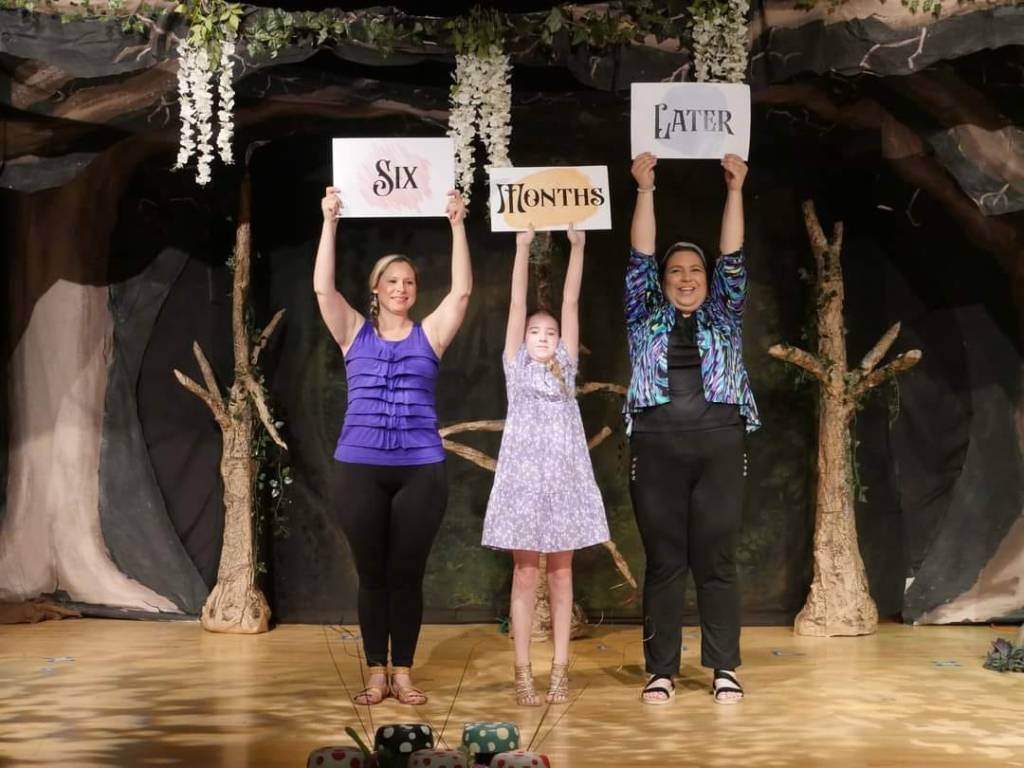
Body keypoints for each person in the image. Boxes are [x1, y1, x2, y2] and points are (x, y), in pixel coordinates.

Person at [314, 185, 471, 705]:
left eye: (409, 282)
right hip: (359, 468)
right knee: (372, 575)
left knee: (406, 575)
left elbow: (462, 293)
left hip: (420, 470)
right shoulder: (353, 332)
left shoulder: (431, 336)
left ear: (415, 291)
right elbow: (322, 289)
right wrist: (330, 222)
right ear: (376, 290)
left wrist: (457, 224)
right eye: (392, 281)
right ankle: (375, 673)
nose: (401, 288)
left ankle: (402, 671)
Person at [624, 152, 760, 705]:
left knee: (716, 561)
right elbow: (640, 254)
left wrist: (735, 190)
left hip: (719, 446)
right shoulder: (644, 314)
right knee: (665, 563)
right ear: (662, 282)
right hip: (656, 448)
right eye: (676, 271)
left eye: (695, 270)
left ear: (708, 280)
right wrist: (644, 189)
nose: (686, 278)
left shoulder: (724, 313)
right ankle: (661, 671)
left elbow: (733, 256)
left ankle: (724, 668)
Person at [482, 225, 610, 706]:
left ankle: (559, 672)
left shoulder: (566, 368)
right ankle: (522, 672)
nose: (542, 336)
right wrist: (521, 247)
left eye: (550, 332)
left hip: (564, 483)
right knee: (524, 573)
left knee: (561, 575)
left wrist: (578, 248)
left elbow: (570, 303)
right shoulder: (516, 367)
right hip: (523, 484)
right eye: (535, 332)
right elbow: (517, 304)